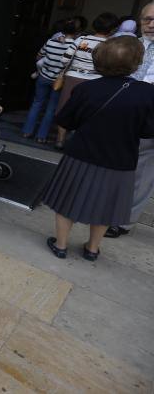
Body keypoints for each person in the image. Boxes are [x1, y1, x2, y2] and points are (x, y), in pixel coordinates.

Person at [42, 36, 154, 261]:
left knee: (67, 201)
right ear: (136, 62)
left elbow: (66, 120)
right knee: (107, 207)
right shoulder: (147, 93)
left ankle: (61, 245)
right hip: (120, 161)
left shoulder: (87, 89)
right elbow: (148, 131)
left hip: (81, 155)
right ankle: (92, 249)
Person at [108, 2, 154, 238]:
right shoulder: (131, 45)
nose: (151, 25)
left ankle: (123, 221)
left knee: (142, 173)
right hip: (123, 113)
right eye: (147, 19)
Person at [55, 12, 119, 149]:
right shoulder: (110, 45)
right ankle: (76, 140)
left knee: (65, 107)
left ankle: (60, 140)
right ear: (113, 29)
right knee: (86, 110)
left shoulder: (81, 40)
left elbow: (64, 59)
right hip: (95, 81)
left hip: (73, 77)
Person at [21, 18, 77, 143]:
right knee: (51, 108)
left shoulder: (51, 41)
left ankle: (27, 131)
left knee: (37, 103)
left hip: (44, 76)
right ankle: (41, 136)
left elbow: (39, 55)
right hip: (58, 80)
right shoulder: (73, 46)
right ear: (75, 33)